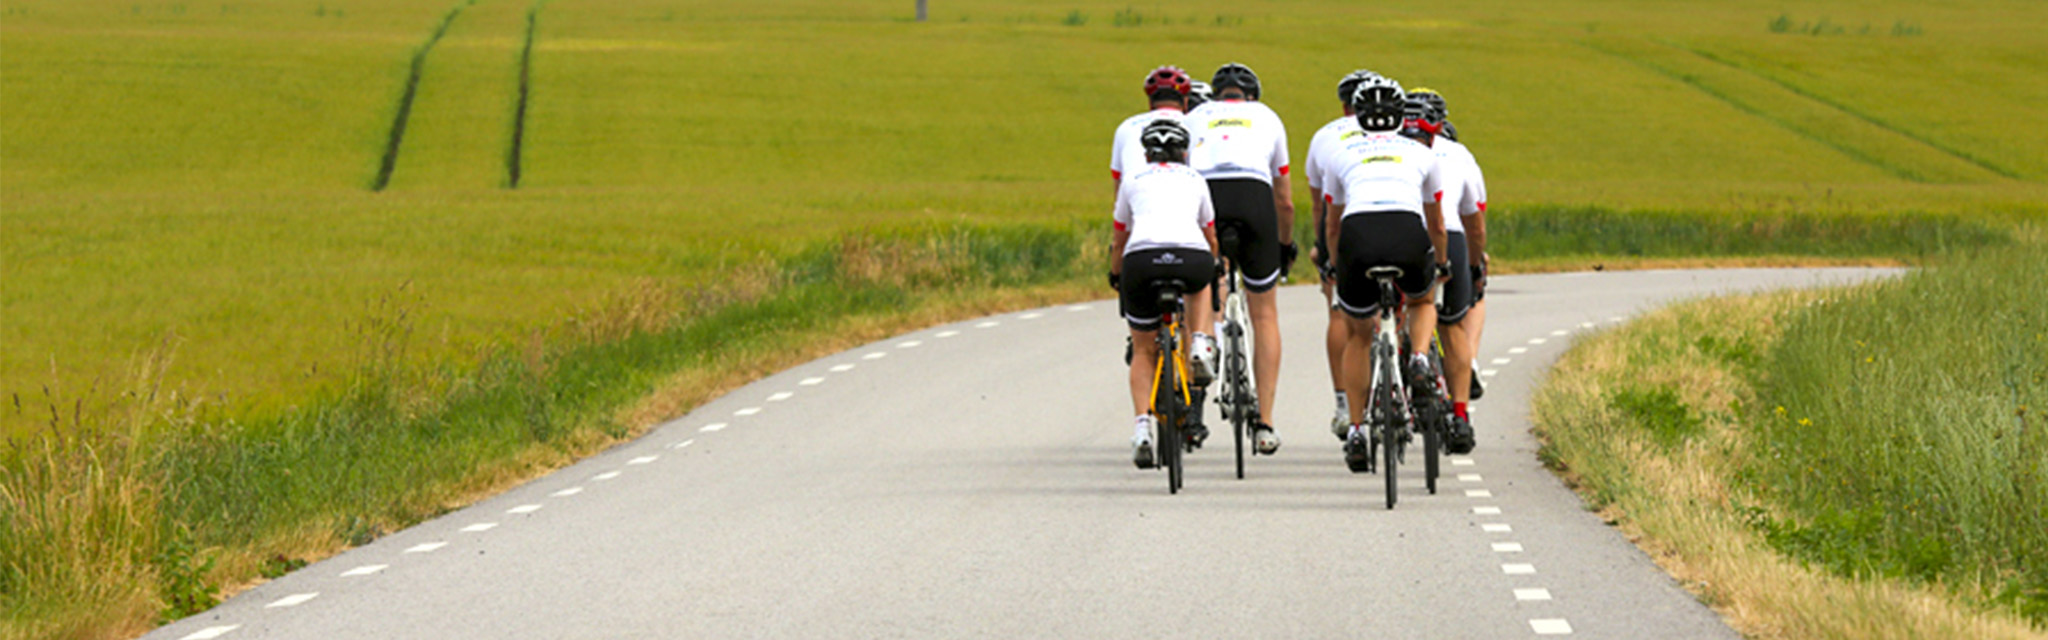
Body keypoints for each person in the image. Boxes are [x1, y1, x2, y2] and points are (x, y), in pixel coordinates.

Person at [1320, 76, 1449, 470]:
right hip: (1407, 235)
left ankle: (1357, 429)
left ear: (1357, 115)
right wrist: (1440, 263)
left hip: (1358, 238)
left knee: (1359, 334)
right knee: (1424, 299)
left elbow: (1332, 225)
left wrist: (1335, 265)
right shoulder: (1423, 154)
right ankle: (1421, 358)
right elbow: (1437, 222)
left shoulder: (1339, 154)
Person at [1186, 62, 1293, 455]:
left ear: (1217, 96)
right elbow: (1283, 197)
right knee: (1263, 313)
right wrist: (1283, 246)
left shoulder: (1196, 115)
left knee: (1207, 286)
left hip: (1208, 191)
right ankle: (1265, 423)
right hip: (1254, 196)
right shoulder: (1267, 117)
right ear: (1251, 97)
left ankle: (1204, 342)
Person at [1111, 119, 1221, 469]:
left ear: (1146, 153)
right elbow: (1210, 234)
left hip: (1142, 261)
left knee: (1143, 348)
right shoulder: (1195, 179)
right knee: (1203, 280)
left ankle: (1142, 427)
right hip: (1190, 257)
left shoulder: (1133, 179)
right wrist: (1215, 263)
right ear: (1184, 153)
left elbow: (1120, 238)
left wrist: (1117, 275)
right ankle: (1201, 341)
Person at [1109, 66, 1215, 381]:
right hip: (1191, 220)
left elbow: (1119, 190)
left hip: (1140, 227)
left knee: (1143, 334)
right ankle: (1206, 337)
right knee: (1208, 275)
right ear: (1185, 101)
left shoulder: (1126, 127)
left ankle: (1140, 338)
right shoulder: (1196, 124)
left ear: (1149, 101)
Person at [1406, 88, 1484, 454]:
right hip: (1450, 233)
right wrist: (1474, 264)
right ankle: (1461, 416)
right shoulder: (1458, 153)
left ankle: (1398, 381)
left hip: (1402, 231)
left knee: (1395, 307)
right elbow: (1476, 221)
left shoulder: (1389, 148)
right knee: (1452, 324)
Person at [1303, 70, 1376, 440]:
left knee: (1340, 313)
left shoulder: (1326, 136)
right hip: (1394, 228)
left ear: (1344, 104)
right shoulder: (1393, 134)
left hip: (1344, 232)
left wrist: (1324, 253)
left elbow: (1321, 207)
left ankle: (1344, 402)